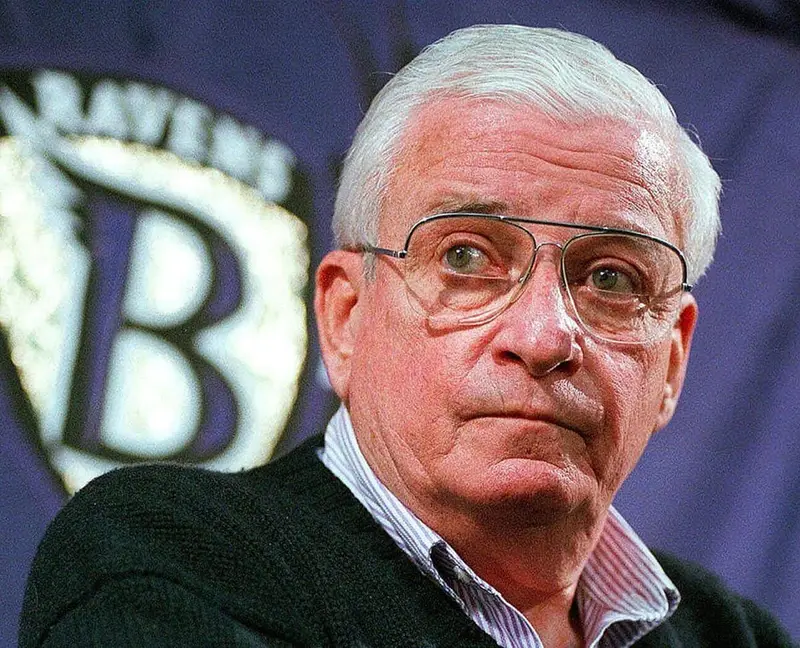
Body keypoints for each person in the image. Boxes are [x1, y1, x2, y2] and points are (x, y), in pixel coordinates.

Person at [19, 24, 796, 648]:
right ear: (346, 316)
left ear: (672, 361)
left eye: (613, 279)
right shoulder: (175, 561)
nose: (543, 336)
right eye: (466, 258)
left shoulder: (735, 635)